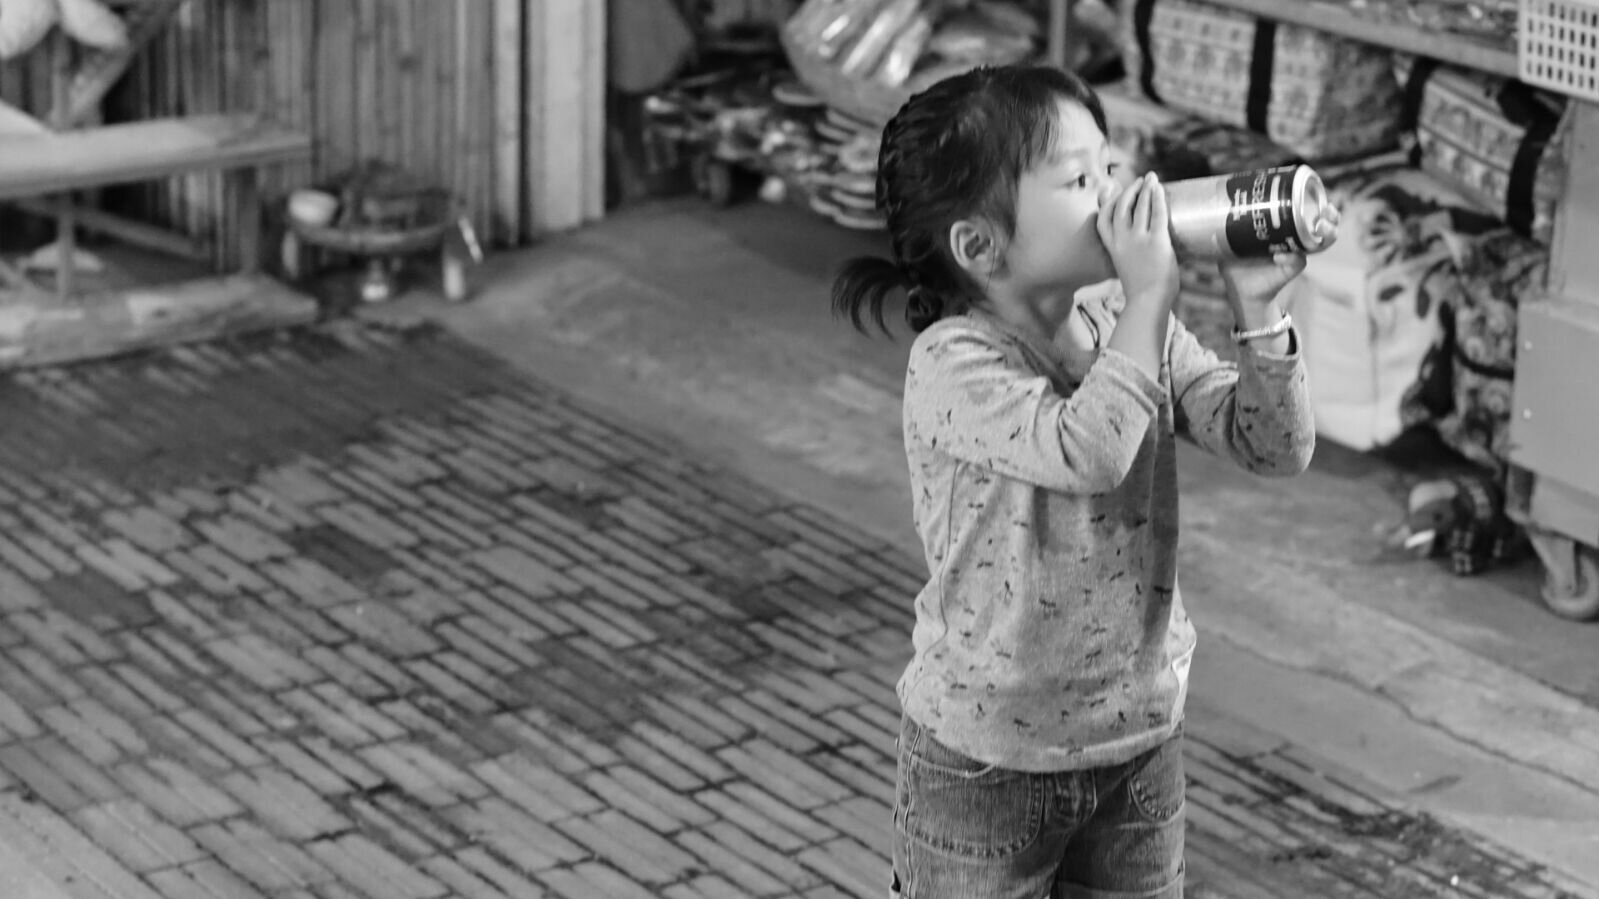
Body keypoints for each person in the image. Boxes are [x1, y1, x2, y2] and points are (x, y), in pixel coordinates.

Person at [831, 64, 1322, 899]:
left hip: (1135, 744)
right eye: (1079, 179)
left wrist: (1257, 312)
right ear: (979, 247)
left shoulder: (1115, 318)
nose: (1116, 191)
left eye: (1110, 163)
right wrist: (1150, 295)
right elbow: (1087, 450)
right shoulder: (954, 363)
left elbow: (1271, 444)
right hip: (985, 763)